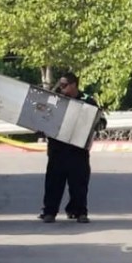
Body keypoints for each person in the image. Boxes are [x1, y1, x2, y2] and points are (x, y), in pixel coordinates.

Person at [39, 72, 101, 224]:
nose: (61, 87)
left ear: (74, 85)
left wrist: (96, 125)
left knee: (79, 183)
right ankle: (49, 212)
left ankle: (80, 212)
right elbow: (42, 116)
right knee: (54, 182)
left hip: (77, 150)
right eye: (60, 84)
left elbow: (100, 120)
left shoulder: (87, 101)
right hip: (57, 149)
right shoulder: (55, 99)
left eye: (64, 85)